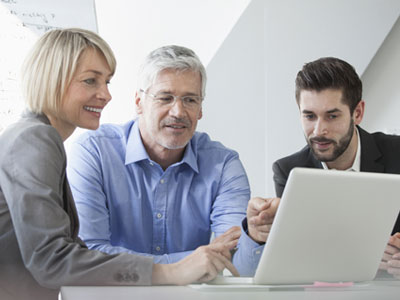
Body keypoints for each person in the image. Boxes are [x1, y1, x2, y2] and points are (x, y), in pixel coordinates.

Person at [0, 28, 239, 300]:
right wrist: (172, 271)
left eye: (107, 83)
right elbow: (52, 260)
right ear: (53, 80)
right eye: (91, 81)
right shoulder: (35, 138)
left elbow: (74, 254)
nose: (106, 95)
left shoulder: (37, 138)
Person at [67, 45, 273, 277]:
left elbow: (234, 263)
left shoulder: (224, 164)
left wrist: (254, 237)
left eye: (190, 100)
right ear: (138, 103)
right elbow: (89, 254)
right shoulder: (94, 152)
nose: (178, 111)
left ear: (201, 109)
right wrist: (184, 266)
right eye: (165, 98)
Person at [272, 56, 400, 279]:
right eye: (309, 116)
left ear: (357, 113)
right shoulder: (288, 171)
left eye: (332, 116)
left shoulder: (397, 153)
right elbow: (300, 257)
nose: (319, 130)